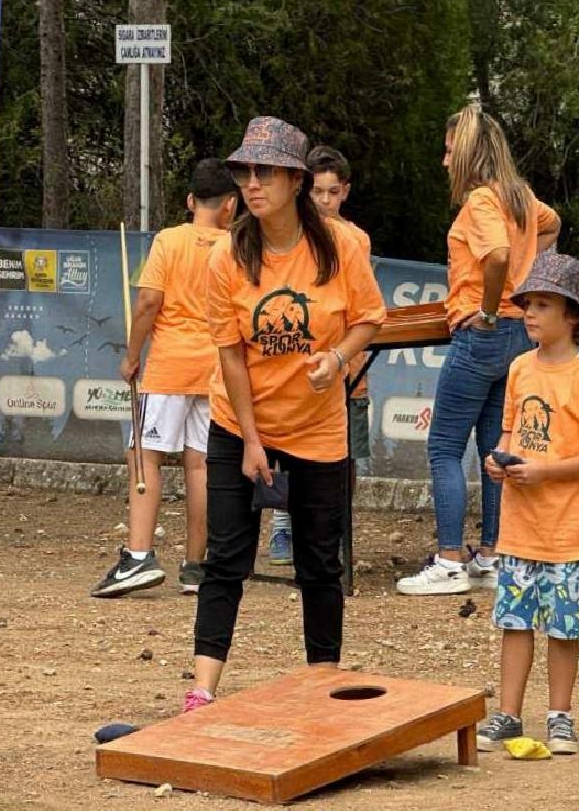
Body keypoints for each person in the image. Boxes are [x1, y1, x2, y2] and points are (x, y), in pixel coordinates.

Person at [184, 117, 385, 713]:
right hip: (238, 422)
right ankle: (202, 689)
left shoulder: (341, 245)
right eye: (246, 170)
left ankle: (324, 685)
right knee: (225, 557)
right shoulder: (227, 254)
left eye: (266, 171)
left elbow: (370, 318)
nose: (252, 182)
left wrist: (339, 358)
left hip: (318, 427)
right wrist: (250, 441)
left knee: (320, 562)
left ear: (297, 179)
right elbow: (230, 353)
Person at [397, 104, 560, 596]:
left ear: (468, 154)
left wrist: (489, 308)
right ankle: (491, 554)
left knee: (444, 446)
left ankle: (449, 559)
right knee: (495, 449)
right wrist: (526, 284)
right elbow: (550, 226)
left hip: (484, 334)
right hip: (516, 336)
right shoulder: (521, 197)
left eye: (450, 152)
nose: (445, 162)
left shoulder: (482, 203)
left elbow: (498, 256)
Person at [474, 251, 579, 755]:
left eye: (542, 305)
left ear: (573, 316)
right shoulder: (518, 368)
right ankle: (508, 715)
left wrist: (543, 472)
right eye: (527, 304)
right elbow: (510, 428)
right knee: (513, 621)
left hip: (569, 531)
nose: (529, 314)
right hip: (519, 527)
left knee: (563, 627)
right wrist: (499, 459)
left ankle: (560, 716)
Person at [91, 158, 239, 598]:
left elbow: (148, 304)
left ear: (192, 200)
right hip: (217, 370)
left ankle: (138, 556)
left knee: (144, 455)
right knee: (201, 464)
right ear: (231, 205)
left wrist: (132, 356)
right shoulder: (236, 246)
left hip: (171, 366)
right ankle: (196, 567)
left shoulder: (170, 240)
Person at [267, 145, 375, 567]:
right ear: (302, 192)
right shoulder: (286, 238)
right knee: (284, 451)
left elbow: (363, 309)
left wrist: (343, 355)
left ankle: (335, 533)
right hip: (292, 369)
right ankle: (281, 522)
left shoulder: (356, 240)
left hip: (347, 371)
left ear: (344, 192)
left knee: (345, 457)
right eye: (317, 192)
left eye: (332, 192)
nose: (324, 201)